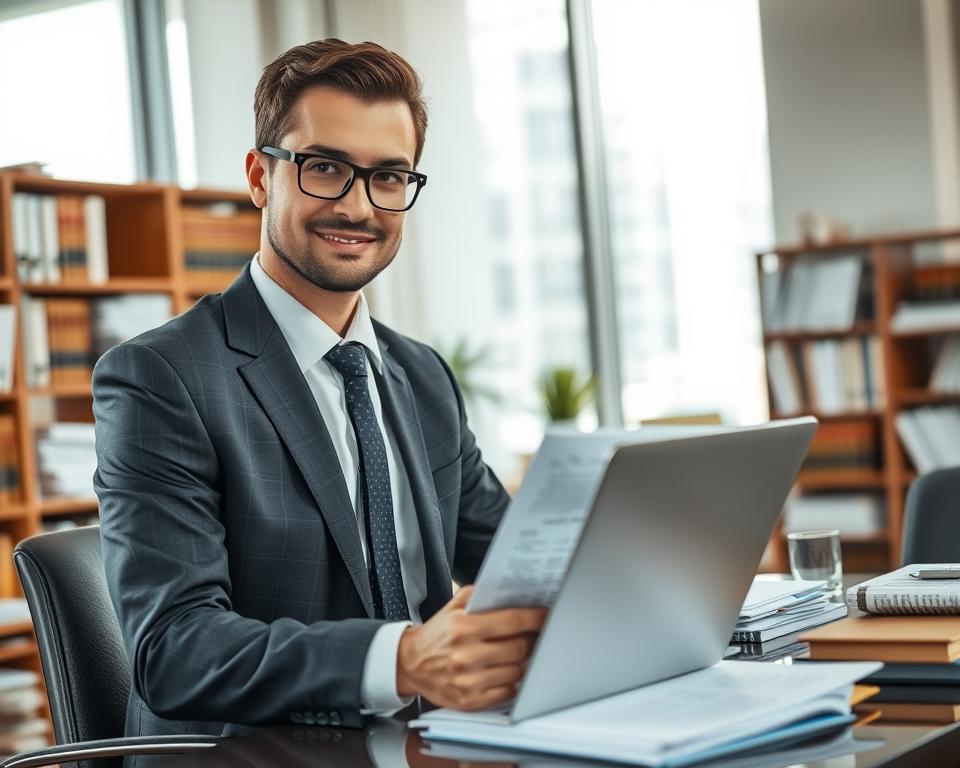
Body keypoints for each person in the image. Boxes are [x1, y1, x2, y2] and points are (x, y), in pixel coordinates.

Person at [93, 39, 547, 739]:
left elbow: (517, 563)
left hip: (425, 747)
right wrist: (402, 659)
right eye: (325, 167)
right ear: (260, 177)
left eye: (389, 177)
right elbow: (175, 651)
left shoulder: (419, 374)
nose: (359, 207)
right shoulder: (162, 377)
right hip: (254, 756)